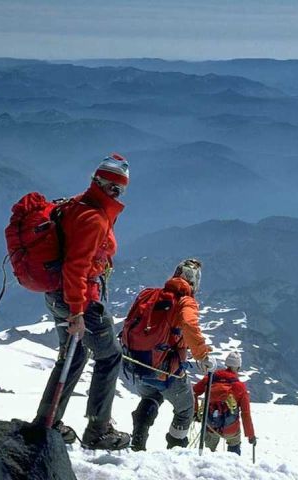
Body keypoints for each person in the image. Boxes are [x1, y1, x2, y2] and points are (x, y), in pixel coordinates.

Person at [25, 153, 131, 450]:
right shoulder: (94, 218)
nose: (117, 193)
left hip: (57, 294)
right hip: (79, 300)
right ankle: (99, 430)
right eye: (116, 188)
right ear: (106, 186)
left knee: (72, 355)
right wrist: (77, 312)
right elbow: (77, 266)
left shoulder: (77, 204)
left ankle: (48, 421)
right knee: (109, 356)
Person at [126, 259, 216, 451]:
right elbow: (189, 325)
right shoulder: (186, 302)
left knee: (151, 397)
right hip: (166, 370)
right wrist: (202, 355)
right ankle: (175, 449)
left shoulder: (150, 294)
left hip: (139, 364)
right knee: (185, 409)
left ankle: (138, 442)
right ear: (195, 283)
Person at [193, 351, 256, 455]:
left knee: (209, 453)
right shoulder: (240, 386)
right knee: (234, 443)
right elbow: (245, 414)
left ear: (226, 364)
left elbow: (194, 392)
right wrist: (251, 435)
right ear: (238, 367)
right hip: (231, 428)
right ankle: (233, 461)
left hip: (210, 425)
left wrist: (195, 412)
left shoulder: (210, 378)